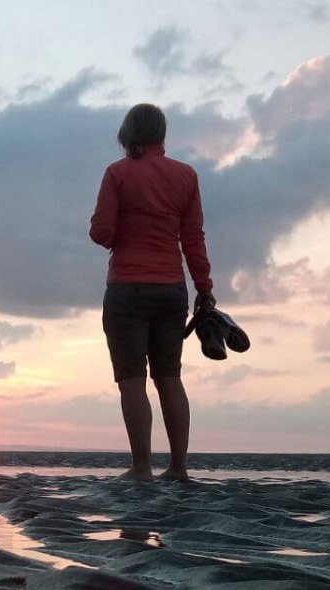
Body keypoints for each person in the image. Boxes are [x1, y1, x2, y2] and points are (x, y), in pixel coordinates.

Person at [89, 103, 214, 482]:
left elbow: (102, 233)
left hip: (127, 286)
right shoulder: (186, 175)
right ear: (162, 135)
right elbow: (193, 239)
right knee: (169, 378)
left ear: (128, 135)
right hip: (171, 289)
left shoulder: (117, 174)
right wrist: (204, 288)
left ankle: (141, 467)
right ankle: (178, 467)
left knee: (132, 381)